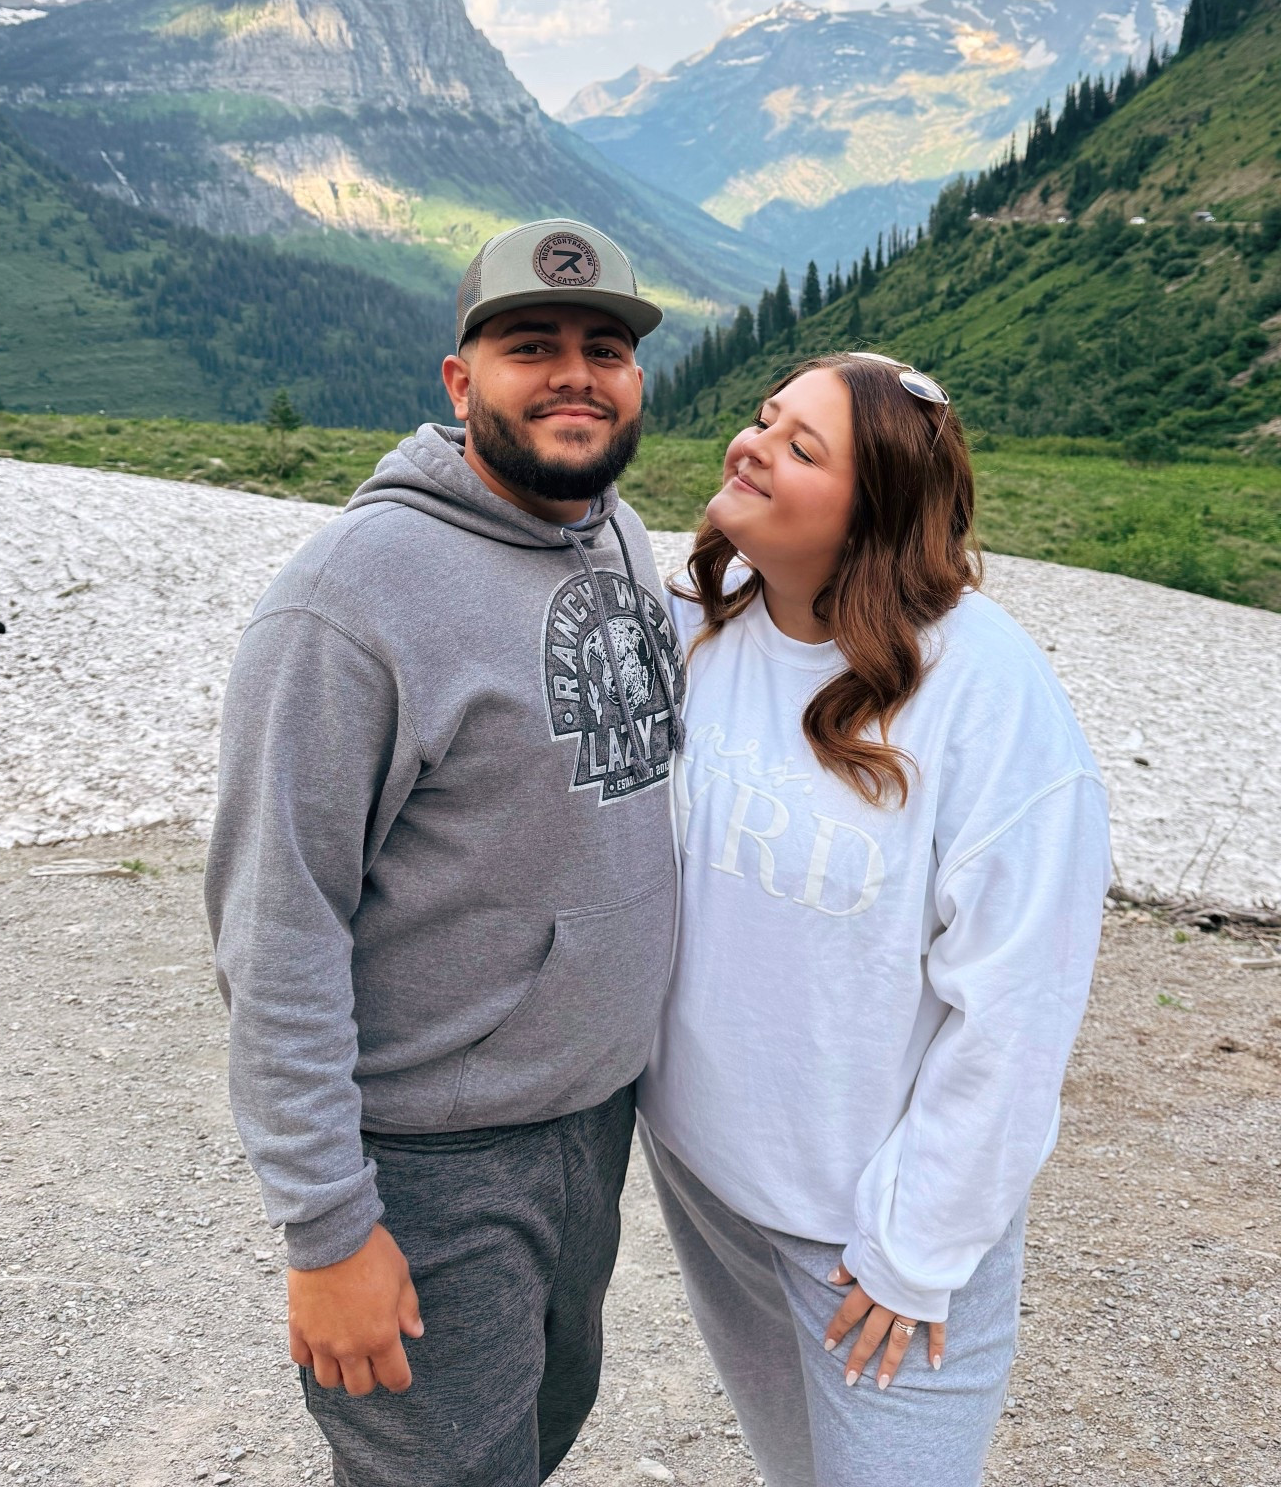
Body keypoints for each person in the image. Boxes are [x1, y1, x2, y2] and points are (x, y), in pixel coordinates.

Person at [206, 218, 685, 1487]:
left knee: (538, 1428)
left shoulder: (621, 532)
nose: (576, 374)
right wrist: (328, 1228)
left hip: (591, 1118)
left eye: (605, 348)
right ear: (461, 381)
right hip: (434, 1159)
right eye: (532, 345)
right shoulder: (347, 600)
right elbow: (276, 926)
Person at [636, 350, 1110, 1487]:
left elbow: (1017, 1009)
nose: (752, 447)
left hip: (872, 1235)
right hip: (709, 1180)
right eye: (764, 418)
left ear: (878, 514)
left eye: (801, 448)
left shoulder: (986, 697)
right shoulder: (701, 621)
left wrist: (916, 1251)